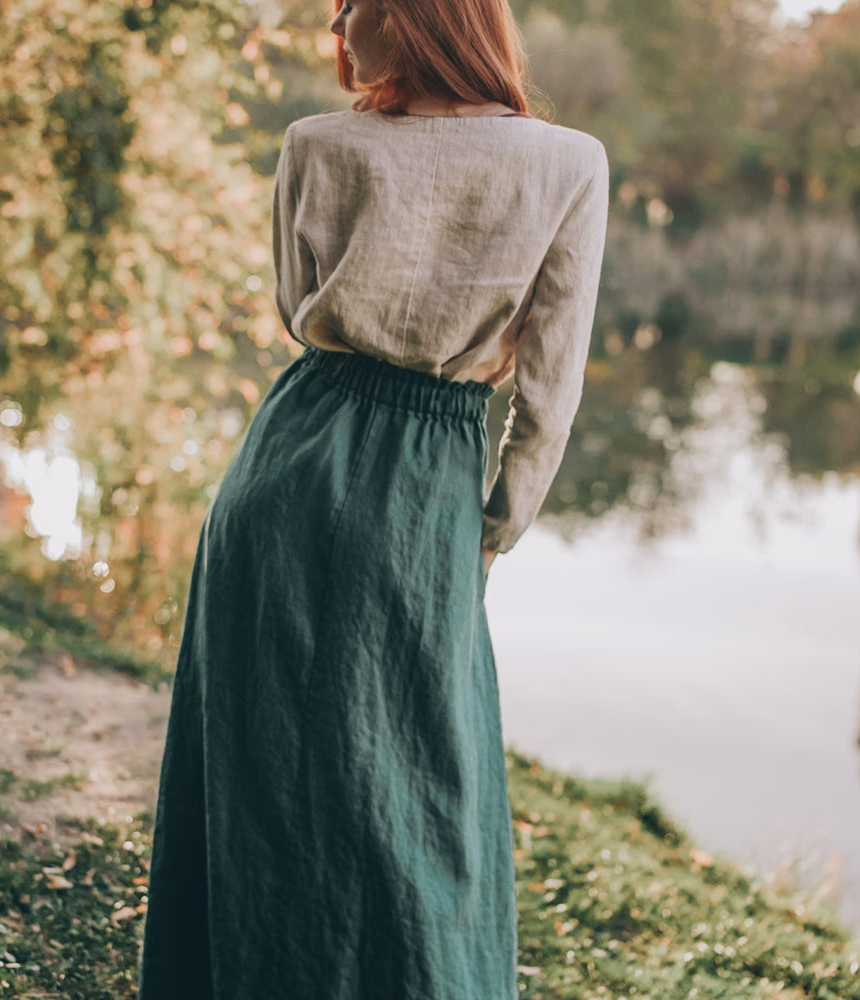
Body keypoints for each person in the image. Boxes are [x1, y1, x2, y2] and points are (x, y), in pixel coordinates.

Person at [137, 0, 609, 995]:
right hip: (425, 477)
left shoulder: (318, 145)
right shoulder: (567, 164)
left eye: (352, 3)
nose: (338, 22)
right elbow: (547, 394)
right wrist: (492, 528)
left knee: (260, 767)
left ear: (411, 17)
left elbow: (292, 302)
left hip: (288, 456)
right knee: (418, 784)